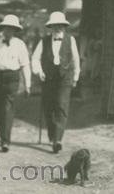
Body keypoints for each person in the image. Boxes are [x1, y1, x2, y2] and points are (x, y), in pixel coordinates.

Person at [31, 11, 80, 154]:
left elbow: (76, 60)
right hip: (48, 79)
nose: (58, 28)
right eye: (55, 26)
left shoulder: (70, 40)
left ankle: (58, 140)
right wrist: (39, 71)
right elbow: (35, 58)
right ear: (51, 27)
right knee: (49, 108)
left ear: (64, 27)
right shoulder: (44, 41)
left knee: (61, 105)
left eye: (60, 25)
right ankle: (52, 135)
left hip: (65, 78)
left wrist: (76, 76)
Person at [0, 14, 31, 152]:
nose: (8, 31)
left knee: (8, 108)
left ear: (15, 30)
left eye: (11, 29)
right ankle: (3, 136)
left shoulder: (20, 45)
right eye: (6, 28)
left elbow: (25, 65)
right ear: (2, 29)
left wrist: (28, 84)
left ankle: (5, 141)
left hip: (12, 78)